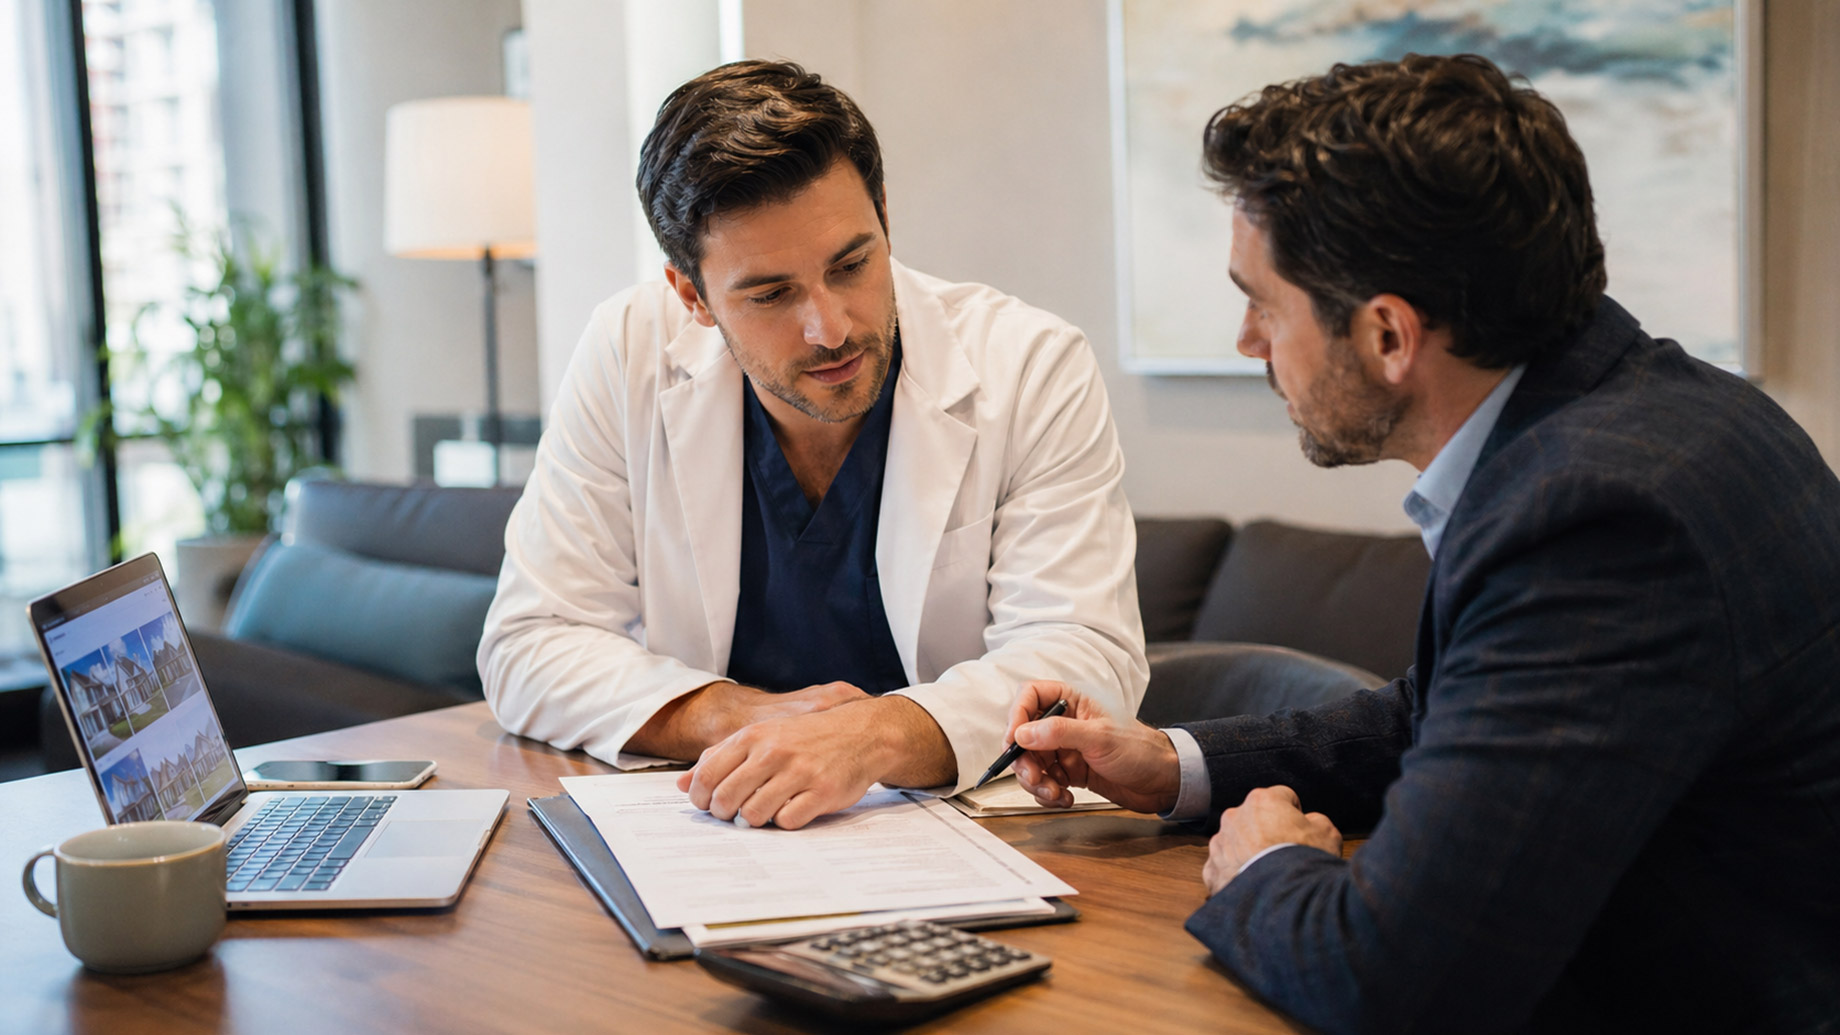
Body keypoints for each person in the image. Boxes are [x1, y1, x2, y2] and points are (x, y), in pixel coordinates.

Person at [1006, 54, 1840, 1032]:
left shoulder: (1594, 520)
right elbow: (1446, 715)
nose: (1247, 342)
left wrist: (1267, 863)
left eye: (1261, 303)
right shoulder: (1665, 417)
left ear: (1388, 337)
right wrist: (1171, 762)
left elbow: (1386, 982)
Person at [478, 60, 1146, 831]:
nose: (830, 327)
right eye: (771, 294)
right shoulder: (627, 351)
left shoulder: (1029, 364)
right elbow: (528, 644)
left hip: (977, 833)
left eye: (852, 264)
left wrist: (870, 737)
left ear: (886, 217)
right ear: (691, 295)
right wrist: (734, 716)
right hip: (719, 827)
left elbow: (1085, 656)